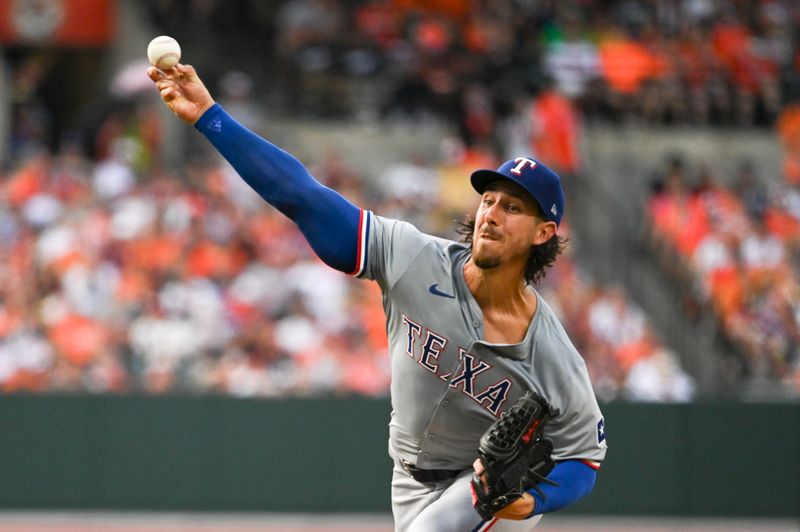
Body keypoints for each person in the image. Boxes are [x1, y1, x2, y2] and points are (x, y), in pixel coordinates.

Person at [149, 63, 607, 532]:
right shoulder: (414, 259)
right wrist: (210, 116)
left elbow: (584, 460)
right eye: (489, 199)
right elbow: (301, 195)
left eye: (512, 208)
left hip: (486, 491)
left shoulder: (552, 354)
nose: (491, 214)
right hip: (407, 480)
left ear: (543, 233)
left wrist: (530, 504)